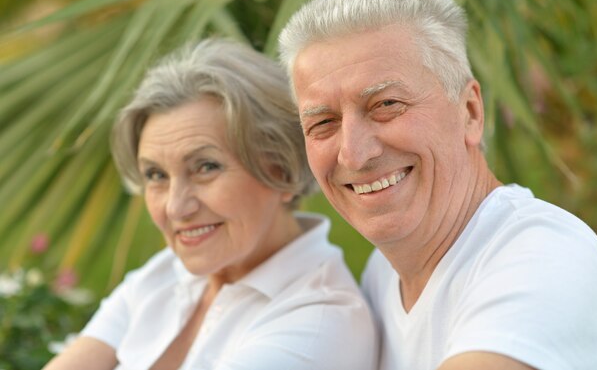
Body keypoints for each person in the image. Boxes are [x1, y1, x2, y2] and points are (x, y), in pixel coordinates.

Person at [278, 0, 597, 370]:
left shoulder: (547, 261)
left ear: (470, 112)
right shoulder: (385, 275)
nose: (354, 155)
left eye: (387, 104)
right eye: (322, 123)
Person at [44, 38, 377, 370]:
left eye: (206, 167)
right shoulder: (165, 275)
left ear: (283, 170)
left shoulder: (318, 327)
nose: (175, 208)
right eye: (156, 174)